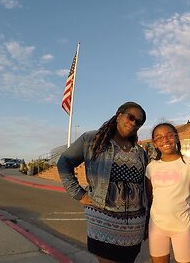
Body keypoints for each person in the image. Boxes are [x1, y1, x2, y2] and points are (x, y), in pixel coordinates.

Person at [57, 101, 149, 263]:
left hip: (134, 225)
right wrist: (79, 194)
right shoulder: (92, 139)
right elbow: (64, 163)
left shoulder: (139, 151)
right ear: (119, 115)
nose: (134, 123)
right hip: (104, 219)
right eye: (131, 117)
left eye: (139, 122)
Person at [146, 122, 190, 263]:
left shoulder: (189, 163)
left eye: (169, 135)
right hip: (157, 228)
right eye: (159, 138)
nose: (164, 140)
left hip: (181, 228)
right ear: (154, 143)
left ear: (177, 138)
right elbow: (149, 197)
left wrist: (188, 208)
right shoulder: (151, 167)